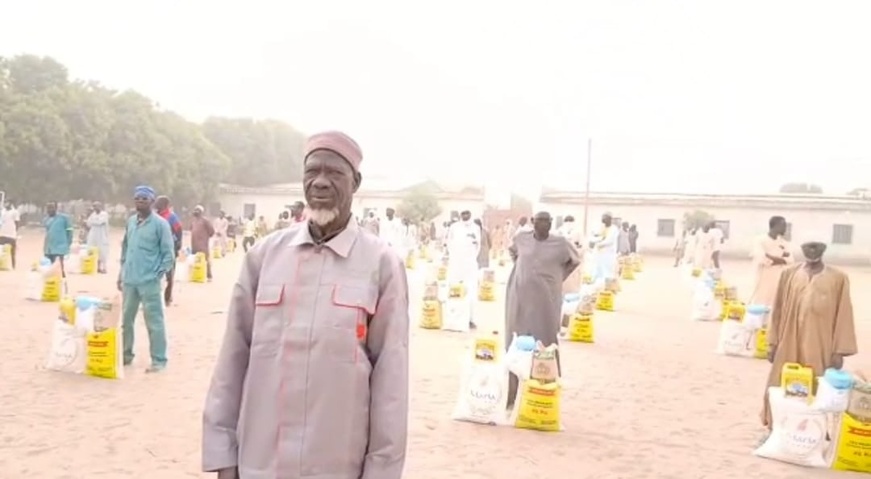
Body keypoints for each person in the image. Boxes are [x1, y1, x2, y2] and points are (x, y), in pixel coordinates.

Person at [202, 131, 409, 479]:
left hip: (337, 467)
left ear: (355, 183)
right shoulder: (264, 257)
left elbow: (392, 381)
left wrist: (382, 472)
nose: (321, 183)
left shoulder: (381, 265)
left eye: (334, 173)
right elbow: (232, 360)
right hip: (261, 462)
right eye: (312, 172)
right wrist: (223, 454)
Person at [760, 241, 857, 434]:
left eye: (816, 248)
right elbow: (777, 310)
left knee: (818, 384)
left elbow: (844, 313)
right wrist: (772, 342)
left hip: (821, 342)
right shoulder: (789, 274)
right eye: (808, 248)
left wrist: (839, 351)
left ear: (823, 252)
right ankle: (777, 424)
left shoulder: (838, 278)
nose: (812, 252)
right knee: (781, 382)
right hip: (788, 339)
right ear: (803, 251)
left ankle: (814, 429)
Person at [505, 211, 580, 404]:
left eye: (547, 222)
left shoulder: (560, 244)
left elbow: (575, 260)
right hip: (520, 296)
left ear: (551, 223)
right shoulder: (521, 238)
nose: (543, 225)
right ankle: (511, 394)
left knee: (545, 340)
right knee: (515, 341)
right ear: (533, 222)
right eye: (539, 221)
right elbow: (513, 252)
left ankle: (545, 391)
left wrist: (557, 277)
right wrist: (522, 269)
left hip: (546, 300)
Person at [117, 186, 175, 373]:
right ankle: (125, 356)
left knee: (154, 322)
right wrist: (121, 273)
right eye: (137, 198)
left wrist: (157, 274)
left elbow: (169, 256)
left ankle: (159, 360)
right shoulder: (131, 222)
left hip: (149, 282)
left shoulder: (160, 225)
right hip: (130, 280)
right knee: (126, 320)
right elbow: (125, 248)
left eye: (144, 198)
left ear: (152, 201)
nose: (140, 201)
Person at [748, 216, 793, 307]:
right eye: (783, 225)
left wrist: (771, 257)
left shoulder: (783, 243)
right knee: (761, 300)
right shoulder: (759, 240)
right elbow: (761, 258)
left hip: (779, 277)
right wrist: (781, 259)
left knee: (776, 302)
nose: (785, 228)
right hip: (764, 276)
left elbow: (791, 260)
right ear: (775, 226)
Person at [447, 210, 481, 328]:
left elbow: (478, 246)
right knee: (455, 291)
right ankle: (454, 319)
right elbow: (449, 243)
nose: (465, 215)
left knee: (471, 291)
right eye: (463, 213)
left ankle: (470, 319)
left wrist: (471, 259)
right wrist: (454, 259)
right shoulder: (454, 227)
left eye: (467, 213)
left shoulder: (475, 228)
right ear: (460, 215)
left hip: (470, 265)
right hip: (456, 264)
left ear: (471, 214)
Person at [155, 196, 183, 305]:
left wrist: (178, 243)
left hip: (169, 248)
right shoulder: (155, 216)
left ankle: (167, 297)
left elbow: (179, 229)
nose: (156, 204)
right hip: (156, 249)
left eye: (158, 202)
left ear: (164, 205)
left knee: (169, 274)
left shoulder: (171, 217)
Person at [43, 201, 73, 277]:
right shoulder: (46, 219)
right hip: (50, 246)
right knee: (52, 265)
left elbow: (69, 229)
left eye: (51, 207)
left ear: (56, 208)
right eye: (48, 208)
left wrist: (69, 241)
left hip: (61, 245)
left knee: (59, 264)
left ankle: (62, 278)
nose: (49, 210)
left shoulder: (64, 218)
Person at [590, 213, 619, 282]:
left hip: (608, 252)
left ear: (610, 220)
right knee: (597, 267)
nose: (603, 221)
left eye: (605, 219)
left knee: (607, 269)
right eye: (603, 220)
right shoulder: (601, 227)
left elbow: (610, 241)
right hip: (599, 253)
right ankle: (597, 282)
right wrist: (595, 238)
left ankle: (607, 283)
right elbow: (596, 236)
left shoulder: (614, 229)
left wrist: (598, 243)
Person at [190, 206, 215, 281]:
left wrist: (204, 237)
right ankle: (196, 275)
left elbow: (211, 231)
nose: (196, 212)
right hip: (194, 244)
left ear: (201, 212)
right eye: (195, 210)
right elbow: (191, 229)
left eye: (198, 210)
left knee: (205, 259)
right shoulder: (193, 221)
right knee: (195, 260)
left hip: (203, 244)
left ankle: (209, 276)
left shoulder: (205, 221)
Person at [85, 201, 110, 274]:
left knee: (103, 251)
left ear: (100, 206)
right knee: (92, 250)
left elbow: (100, 222)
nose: (95, 208)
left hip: (102, 235)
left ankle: (104, 268)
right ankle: (97, 267)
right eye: (94, 206)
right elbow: (88, 223)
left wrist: (94, 221)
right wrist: (94, 221)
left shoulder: (104, 214)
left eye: (97, 206)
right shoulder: (93, 214)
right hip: (93, 235)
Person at [0, 201, 21, 269]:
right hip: (3, 233)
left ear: (10, 204)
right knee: (1, 249)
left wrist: (15, 231)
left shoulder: (15, 212)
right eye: (5, 202)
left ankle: (13, 265)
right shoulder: (2, 211)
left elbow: (17, 222)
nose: (6, 204)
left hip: (11, 234)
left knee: (13, 251)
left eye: (7, 202)